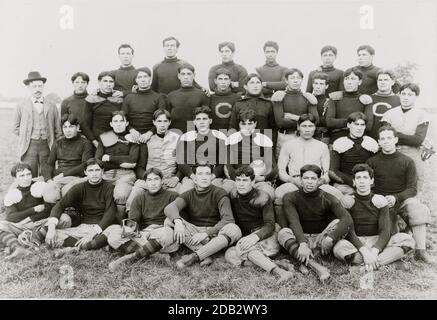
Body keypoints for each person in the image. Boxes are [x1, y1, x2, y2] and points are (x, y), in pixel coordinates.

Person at [364, 126, 432, 263]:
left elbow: (412, 189)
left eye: (389, 138)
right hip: (380, 202)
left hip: (400, 200)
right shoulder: (372, 162)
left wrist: (396, 198)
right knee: (389, 232)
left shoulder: (407, 161)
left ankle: (421, 250)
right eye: (383, 139)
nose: (386, 141)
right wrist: (379, 199)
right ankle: (395, 243)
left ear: (395, 139)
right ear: (379, 142)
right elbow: (367, 186)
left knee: (417, 206)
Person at [333, 164, 415, 271]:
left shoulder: (380, 200)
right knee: (339, 248)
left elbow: (385, 231)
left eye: (365, 178)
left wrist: (375, 251)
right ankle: (389, 264)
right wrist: (365, 251)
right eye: (358, 178)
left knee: (407, 240)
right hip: (357, 242)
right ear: (354, 181)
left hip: (377, 241)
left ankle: (361, 268)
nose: (362, 181)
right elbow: (349, 232)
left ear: (371, 181)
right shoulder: (348, 201)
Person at [278, 164, 353, 281]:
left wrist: (330, 238)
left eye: (313, 179)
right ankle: (318, 268)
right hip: (300, 237)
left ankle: (304, 259)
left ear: (319, 181)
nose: (309, 182)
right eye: (306, 178)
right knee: (283, 232)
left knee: (338, 222)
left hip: (320, 239)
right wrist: (302, 244)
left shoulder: (327, 197)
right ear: (301, 180)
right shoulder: (290, 197)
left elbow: (347, 218)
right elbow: (294, 221)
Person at [164, 163, 242, 269]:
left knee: (234, 229)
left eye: (207, 174)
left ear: (211, 177)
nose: (204, 177)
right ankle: (209, 253)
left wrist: (206, 233)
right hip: (194, 233)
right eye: (200, 174)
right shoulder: (189, 194)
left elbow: (228, 219)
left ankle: (195, 256)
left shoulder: (219, 193)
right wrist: (177, 222)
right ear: (194, 178)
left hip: (215, 234)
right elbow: (170, 208)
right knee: (169, 220)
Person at [224, 166, 293, 283]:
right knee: (229, 255)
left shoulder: (263, 196)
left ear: (253, 181)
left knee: (245, 250)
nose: (241, 184)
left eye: (245, 180)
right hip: (247, 238)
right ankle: (276, 263)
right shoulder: (233, 194)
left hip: (266, 235)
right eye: (238, 180)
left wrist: (254, 237)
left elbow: (270, 225)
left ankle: (280, 272)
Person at [274, 114, 344, 226]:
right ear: (298, 127)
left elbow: (326, 173)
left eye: (310, 126)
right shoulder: (288, 145)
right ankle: (284, 229)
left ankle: (330, 227)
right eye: (304, 126)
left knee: (337, 194)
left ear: (315, 127)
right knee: (279, 193)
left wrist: (320, 182)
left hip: (317, 182)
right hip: (295, 181)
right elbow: (281, 171)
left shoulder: (322, 146)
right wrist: (292, 180)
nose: (307, 129)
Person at [104, 168, 180, 271]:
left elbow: (178, 217)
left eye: (156, 179)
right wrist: (131, 230)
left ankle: (128, 258)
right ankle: (154, 254)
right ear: (145, 182)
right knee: (114, 236)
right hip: (144, 234)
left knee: (167, 233)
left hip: (162, 233)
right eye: (149, 180)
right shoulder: (139, 198)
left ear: (162, 180)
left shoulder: (173, 196)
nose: (153, 183)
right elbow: (133, 220)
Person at [43, 158, 117, 257]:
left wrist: (92, 233)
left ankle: (76, 247)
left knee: (113, 232)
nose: (94, 174)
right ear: (85, 172)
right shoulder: (79, 187)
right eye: (91, 170)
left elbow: (110, 214)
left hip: (103, 227)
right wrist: (51, 229)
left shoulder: (109, 187)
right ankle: (90, 246)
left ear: (102, 172)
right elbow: (60, 205)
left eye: (97, 170)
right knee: (55, 234)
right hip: (84, 227)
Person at [0, 163, 71, 260]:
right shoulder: (13, 193)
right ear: (15, 179)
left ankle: (33, 239)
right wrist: (33, 209)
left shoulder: (40, 186)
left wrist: (31, 218)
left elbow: (51, 208)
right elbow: (12, 217)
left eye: (28, 174)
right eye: (22, 175)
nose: (26, 178)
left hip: (42, 222)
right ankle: (18, 248)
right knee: (1, 225)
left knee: (64, 219)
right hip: (22, 225)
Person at [126, 109, 182, 211]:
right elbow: (140, 167)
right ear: (154, 122)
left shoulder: (177, 138)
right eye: (159, 121)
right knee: (134, 194)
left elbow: (182, 164)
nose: (162, 125)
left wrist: (176, 178)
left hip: (169, 180)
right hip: (149, 179)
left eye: (165, 121)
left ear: (169, 122)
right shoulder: (147, 140)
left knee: (179, 199)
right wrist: (148, 179)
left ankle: (174, 223)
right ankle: (131, 222)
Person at [381, 83, 430, 194]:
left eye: (410, 94)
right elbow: (385, 136)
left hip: (413, 154)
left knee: (414, 187)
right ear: (399, 95)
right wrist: (407, 137)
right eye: (403, 94)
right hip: (392, 154)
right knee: (391, 185)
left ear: (416, 96)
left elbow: (418, 140)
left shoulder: (422, 115)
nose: (406, 97)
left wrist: (394, 134)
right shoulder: (389, 113)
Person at [13, 71, 62, 177]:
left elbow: (58, 129)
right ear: (28, 88)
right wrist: (27, 136)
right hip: (29, 146)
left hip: (47, 146)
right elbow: (16, 127)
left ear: (43, 87)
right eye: (34, 86)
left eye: (40, 86)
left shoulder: (52, 106)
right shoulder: (21, 105)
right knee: (29, 173)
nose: (37, 89)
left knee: (47, 174)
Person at [224, 109, 277, 199]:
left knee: (268, 194)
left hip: (258, 179)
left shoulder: (263, 140)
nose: (247, 127)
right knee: (225, 190)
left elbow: (273, 168)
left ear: (255, 124)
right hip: (237, 179)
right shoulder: (232, 139)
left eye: (250, 123)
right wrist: (240, 179)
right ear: (239, 124)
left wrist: (263, 178)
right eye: (243, 124)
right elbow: (229, 166)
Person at [95, 111, 139, 221]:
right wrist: (123, 160)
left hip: (126, 174)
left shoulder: (132, 138)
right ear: (111, 124)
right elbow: (99, 159)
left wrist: (110, 158)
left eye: (121, 121)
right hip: (107, 173)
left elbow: (132, 160)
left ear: (126, 123)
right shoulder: (105, 137)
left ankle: (118, 222)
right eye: (115, 121)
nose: (118, 124)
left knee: (121, 194)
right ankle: (100, 221)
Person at [176, 106, 227, 193]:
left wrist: (213, 176)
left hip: (213, 175)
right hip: (193, 175)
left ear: (210, 121)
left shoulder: (220, 136)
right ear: (194, 122)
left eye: (204, 119)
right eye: (198, 119)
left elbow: (223, 162)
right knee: (185, 191)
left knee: (216, 192)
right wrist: (192, 176)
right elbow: (181, 162)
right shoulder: (186, 137)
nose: (202, 122)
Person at [42, 114, 94, 200]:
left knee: (64, 192)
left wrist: (63, 175)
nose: (67, 130)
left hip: (75, 177)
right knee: (45, 192)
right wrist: (48, 179)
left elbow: (85, 165)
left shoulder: (85, 143)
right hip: (57, 177)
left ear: (77, 127)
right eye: (65, 127)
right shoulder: (58, 143)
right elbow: (49, 164)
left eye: (71, 127)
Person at [271, 68, 318, 158]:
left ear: (301, 80)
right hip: (285, 137)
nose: (296, 80)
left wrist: (293, 117)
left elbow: (315, 121)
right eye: (292, 78)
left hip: (303, 136)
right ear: (286, 80)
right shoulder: (280, 96)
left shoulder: (307, 97)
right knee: (283, 167)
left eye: (298, 78)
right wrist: (305, 121)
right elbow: (280, 122)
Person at [330, 112, 379, 195]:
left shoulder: (371, 143)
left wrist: (366, 183)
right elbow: (333, 171)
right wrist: (353, 182)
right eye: (356, 124)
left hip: (366, 184)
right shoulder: (340, 143)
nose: (359, 128)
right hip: (345, 184)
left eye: (362, 125)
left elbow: (376, 169)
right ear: (349, 125)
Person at [325, 67, 373, 142]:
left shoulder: (365, 99)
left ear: (359, 82)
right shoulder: (335, 97)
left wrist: (341, 123)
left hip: (358, 141)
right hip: (337, 139)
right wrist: (356, 123)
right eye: (347, 79)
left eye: (353, 79)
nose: (349, 82)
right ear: (343, 81)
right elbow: (329, 122)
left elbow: (368, 126)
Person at [122, 67, 167, 142]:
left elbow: (162, 119)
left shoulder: (158, 97)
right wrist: (132, 130)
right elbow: (123, 118)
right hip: (133, 135)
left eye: (145, 76)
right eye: (139, 77)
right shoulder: (129, 97)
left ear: (150, 78)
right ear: (136, 80)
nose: (143, 80)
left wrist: (149, 133)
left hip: (152, 135)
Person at [229, 73, 276, 143]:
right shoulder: (238, 104)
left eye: (258, 83)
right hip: (243, 146)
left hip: (262, 146)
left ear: (261, 85)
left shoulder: (268, 104)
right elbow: (232, 127)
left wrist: (270, 146)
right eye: (252, 83)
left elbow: (273, 129)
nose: (255, 86)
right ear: (245, 86)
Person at [166, 63, 210, 133]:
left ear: (194, 75)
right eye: (183, 74)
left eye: (189, 74)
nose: (186, 77)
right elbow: (166, 119)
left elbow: (206, 119)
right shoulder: (171, 96)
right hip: (175, 133)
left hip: (195, 134)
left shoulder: (202, 95)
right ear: (179, 76)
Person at [85, 72, 123, 148]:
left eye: (111, 81)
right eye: (105, 81)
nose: (108, 84)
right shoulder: (91, 99)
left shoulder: (119, 99)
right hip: (97, 139)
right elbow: (86, 124)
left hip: (116, 138)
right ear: (99, 82)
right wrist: (94, 141)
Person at [60, 72, 94, 142]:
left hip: (91, 139)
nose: (80, 85)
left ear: (87, 84)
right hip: (73, 139)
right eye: (77, 82)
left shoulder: (93, 100)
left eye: (83, 82)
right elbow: (63, 123)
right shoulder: (66, 102)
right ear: (73, 83)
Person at [368, 70, 401, 140]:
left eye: (386, 80)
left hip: (390, 142)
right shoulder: (369, 99)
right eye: (380, 80)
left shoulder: (399, 100)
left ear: (393, 82)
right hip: (369, 140)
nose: (382, 82)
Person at [310, 72, 331, 143]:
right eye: (316, 83)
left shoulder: (329, 102)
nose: (318, 87)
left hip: (322, 137)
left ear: (326, 86)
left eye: (321, 84)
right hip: (306, 135)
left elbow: (327, 121)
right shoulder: (307, 100)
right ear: (313, 85)